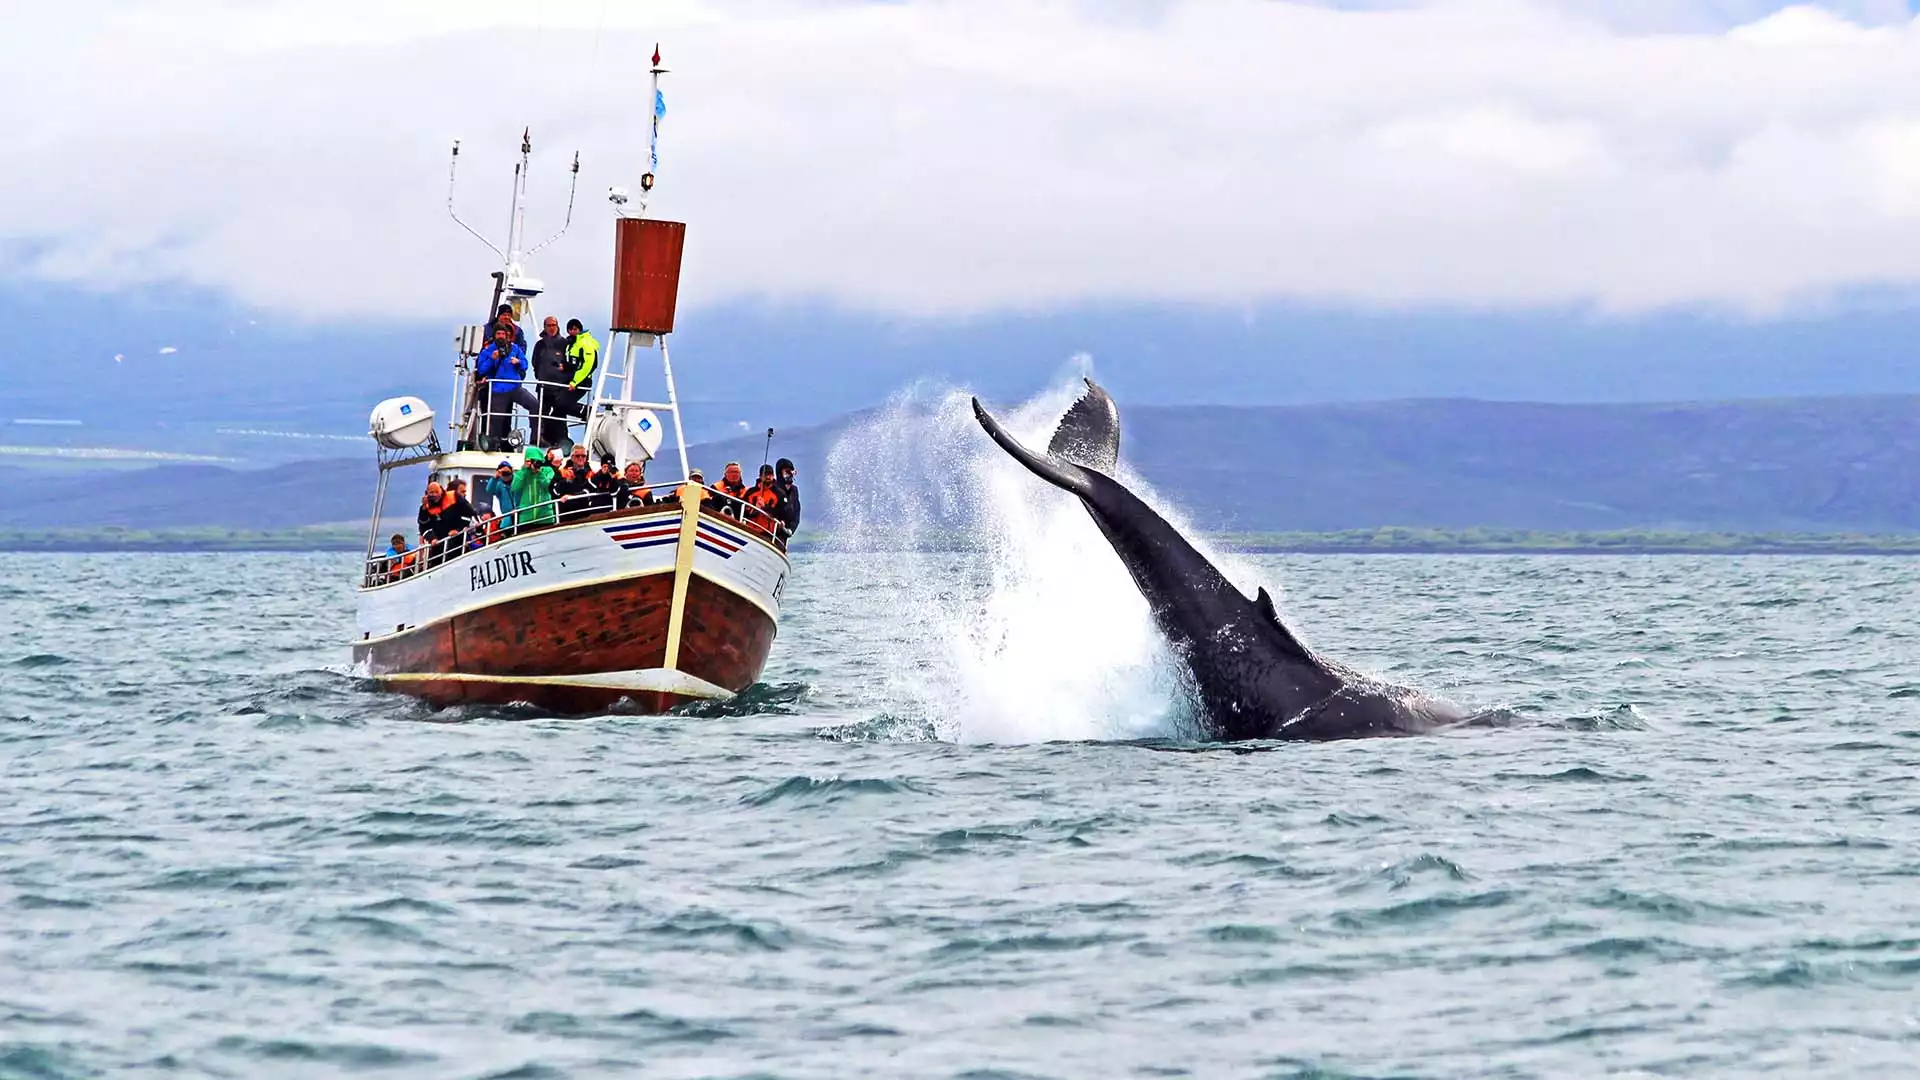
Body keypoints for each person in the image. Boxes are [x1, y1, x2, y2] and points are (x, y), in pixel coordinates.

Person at [475, 325, 536, 452]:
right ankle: (494, 444)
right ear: (494, 336)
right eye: (498, 334)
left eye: (503, 334)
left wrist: (518, 362)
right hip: (498, 389)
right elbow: (481, 369)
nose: (501, 337)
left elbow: (525, 365)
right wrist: (492, 359)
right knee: (496, 419)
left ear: (507, 335)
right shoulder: (487, 351)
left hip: (514, 386)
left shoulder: (515, 348)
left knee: (535, 405)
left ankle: (535, 437)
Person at [530, 315, 574, 448]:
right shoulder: (540, 344)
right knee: (541, 413)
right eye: (548, 325)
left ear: (557, 326)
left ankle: (561, 441)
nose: (551, 328)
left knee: (560, 414)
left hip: (560, 386)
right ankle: (539, 438)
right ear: (545, 327)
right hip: (544, 385)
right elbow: (534, 362)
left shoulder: (564, 344)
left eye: (553, 325)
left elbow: (570, 364)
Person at [510, 447, 558, 530]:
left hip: (546, 517)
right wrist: (524, 470)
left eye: (537, 461)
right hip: (526, 518)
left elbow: (549, 485)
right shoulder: (521, 473)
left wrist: (539, 473)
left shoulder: (548, 471)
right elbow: (514, 487)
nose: (534, 463)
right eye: (532, 461)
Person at [563, 319, 600, 418]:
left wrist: (575, 381)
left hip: (582, 380)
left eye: (575, 329)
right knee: (558, 404)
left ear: (580, 329)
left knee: (563, 404)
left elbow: (589, 365)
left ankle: (588, 411)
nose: (572, 332)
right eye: (570, 329)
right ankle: (558, 433)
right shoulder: (571, 344)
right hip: (570, 380)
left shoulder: (586, 343)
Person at [550, 444, 597, 522]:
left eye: (583, 456)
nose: (581, 458)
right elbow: (554, 491)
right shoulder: (562, 472)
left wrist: (572, 496)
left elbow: (591, 491)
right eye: (577, 456)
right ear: (572, 457)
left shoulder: (591, 474)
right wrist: (566, 481)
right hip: (565, 514)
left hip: (584, 514)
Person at [744, 464, 781, 539]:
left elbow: (780, 514)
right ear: (760, 476)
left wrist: (765, 507)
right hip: (749, 530)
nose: (768, 477)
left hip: (768, 534)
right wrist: (755, 509)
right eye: (765, 474)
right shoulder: (751, 492)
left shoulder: (779, 494)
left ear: (773, 476)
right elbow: (744, 511)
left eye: (770, 474)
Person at [483, 460, 518, 536]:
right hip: (507, 517)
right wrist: (495, 477)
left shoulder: (517, 480)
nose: (506, 475)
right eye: (503, 473)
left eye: (508, 472)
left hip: (520, 513)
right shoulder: (499, 484)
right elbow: (489, 490)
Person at [772, 457, 802, 540]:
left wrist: (791, 530)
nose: (790, 474)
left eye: (792, 472)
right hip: (771, 532)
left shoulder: (794, 491)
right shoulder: (773, 489)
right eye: (787, 472)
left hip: (784, 536)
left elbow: (796, 512)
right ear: (779, 473)